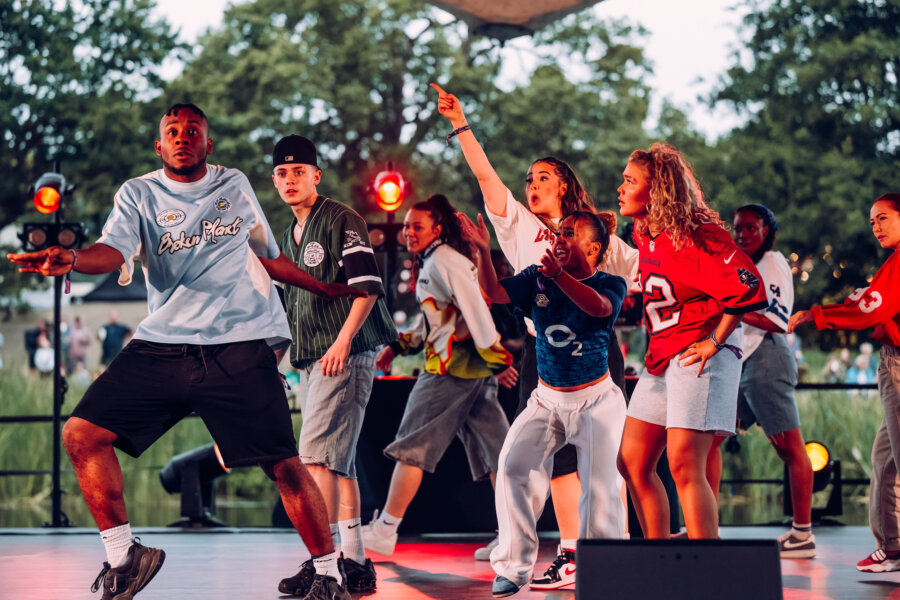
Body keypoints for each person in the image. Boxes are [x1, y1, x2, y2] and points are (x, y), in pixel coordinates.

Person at [7, 103, 364, 600]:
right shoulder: (139, 193)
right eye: (172, 131)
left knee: (283, 463)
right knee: (82, 434)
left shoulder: (233, 184)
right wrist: (71, 258)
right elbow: (114, 250)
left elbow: (268, 257)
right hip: (164, 345)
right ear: (159, 145)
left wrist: (323, 289)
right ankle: (124, 557)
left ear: (206, 143)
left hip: (238, 343)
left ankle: (328, 573)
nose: (181, 137)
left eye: (191, 131)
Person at [432, 82, 638, 588]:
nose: (531, 183)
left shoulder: (594, 236)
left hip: (594, 350)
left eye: (542, 176)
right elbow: (484, 175)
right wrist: (461, 124)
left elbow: (636, 282)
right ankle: (549, 549)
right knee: (532, 458)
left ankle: (593, 556)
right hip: (542, 350)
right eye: (528, 177)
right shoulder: (519, 227)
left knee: (595, 464)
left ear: (563, 186)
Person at [466, 210, 627, 598]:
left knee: (601, 489)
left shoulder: (610, 283)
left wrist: (559, 277)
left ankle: (603, 568)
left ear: (593, 248)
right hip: (546, 399)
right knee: (512, 467)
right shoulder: (535, 277)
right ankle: (514, 566)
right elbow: (496, 293)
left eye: (569, 233)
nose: (559, 237)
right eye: (559, 231)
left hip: (597, 401)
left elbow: (599, 309)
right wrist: (483, 252)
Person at [615, 142, 767, 539]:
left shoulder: (701, 236)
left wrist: (715, 342)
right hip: (665, 355)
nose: (621, 187)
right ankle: (661, 557)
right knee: (632, 461)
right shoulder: (643, 230)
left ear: (657, 189)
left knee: (684, 463)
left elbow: (749, 289)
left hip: (702, 352)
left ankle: (705, 570)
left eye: (630, 180)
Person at [270, 135, 397, 596]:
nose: (290, 179)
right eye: (282, 173)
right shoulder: (288, 235)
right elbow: (289, 307)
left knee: (315, 459)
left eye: (299, 171)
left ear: (315, 176)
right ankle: (355, 562)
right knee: (339, 464)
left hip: (341, 353)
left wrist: (343, 342)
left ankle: (322, 567)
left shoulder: (343, 218)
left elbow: (366, 286)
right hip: (312, 358)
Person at [361, 194, 516, 557]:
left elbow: (476, 311)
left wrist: (498, 359)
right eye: (406, 225)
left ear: (438, 228)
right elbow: (437, 319)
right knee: (498, 453)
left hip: (450, 370)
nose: (408, 232)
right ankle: (513, 537)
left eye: (417, 226)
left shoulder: (446, 261)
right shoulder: (435, 260)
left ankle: (386, 530)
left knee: (411, 446)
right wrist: (397, 347)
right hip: (470, 370)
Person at [789, 193, 900, 573]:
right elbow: (878, 308)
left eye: (883, 218)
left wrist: (813, 314)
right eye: (872, 221)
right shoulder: (892, 264)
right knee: (884, 461)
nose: (876, 227)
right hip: (892, 361)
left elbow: (871, 309)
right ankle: (893, 548)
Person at [706, 204, 815, 557]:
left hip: (766, 358)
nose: (742, 234)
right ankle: (706, 530)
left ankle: (802, 534)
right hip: (740, 361)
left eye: (750, 227)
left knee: (789, 448)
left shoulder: (772, 262)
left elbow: (779, 320)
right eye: (737, 228)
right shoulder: (744, 263)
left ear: (767, 230)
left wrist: (729, 307)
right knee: (710, 440)